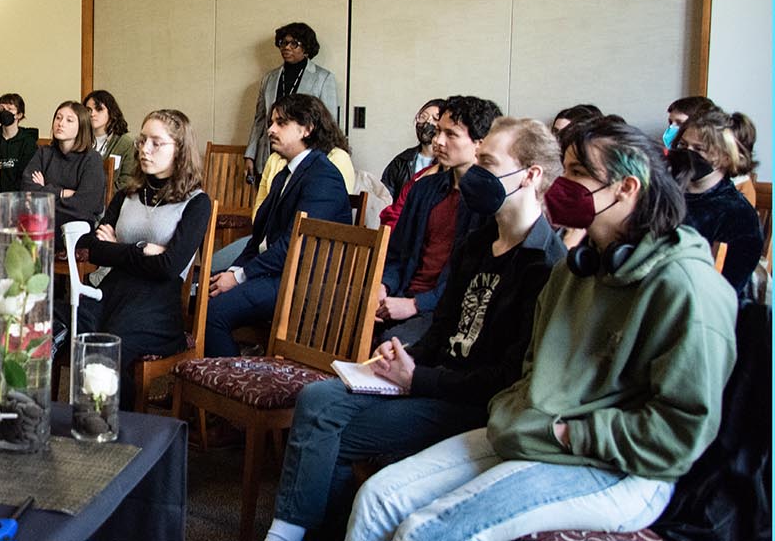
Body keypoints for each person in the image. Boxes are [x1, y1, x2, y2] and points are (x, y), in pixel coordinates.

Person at [346, 116, 736, 541]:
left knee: (428, 531)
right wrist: (523, 417)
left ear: (627, 188)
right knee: (378, 498)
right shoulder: (575, 270)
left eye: (579, 173)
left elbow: (680, 430)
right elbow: (533, 368)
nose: (562, 184)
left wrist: (571, 433)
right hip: (537, 434)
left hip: (622, 467)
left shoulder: (688, 288)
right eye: (564, 169)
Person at [264, 117, 567, 541]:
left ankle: (293, 533)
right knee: (318, 395)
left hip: (468, 402)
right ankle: (303, 531)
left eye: (488, 163)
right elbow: (443, 329)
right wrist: (406, 358)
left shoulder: (545, 264)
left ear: (530, 175)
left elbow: (508, 378)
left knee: (327, 432)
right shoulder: (476, 244)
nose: (475, 174)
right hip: (428, 378)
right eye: (476, 160)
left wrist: (417, 377)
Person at [66, 109, 212, 408]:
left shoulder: (196, 203)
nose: (144, 149)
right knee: (62, 325)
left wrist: (118, 248)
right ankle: (66, 424)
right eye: (143, 140)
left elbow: (170, 266)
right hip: (110, 289)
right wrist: (143, 248)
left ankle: (115, 435)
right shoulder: (127, 194)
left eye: (156, 143)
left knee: (107, 350)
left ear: (180, 149)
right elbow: (92, 248)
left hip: (156, 303)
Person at [204, 93, 352, 358]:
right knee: (202, 289)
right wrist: (236, 269)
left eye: (281, 123)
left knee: (214, 312)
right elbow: (258, 239)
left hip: (302, 282)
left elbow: (295, 246)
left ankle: (233, 387)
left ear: (307, 129)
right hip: (276, 273)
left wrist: (238, 277)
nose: (270, 129)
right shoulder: (285, 173)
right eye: (271, 122)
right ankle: (197, 377)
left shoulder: (324, 176)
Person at [376, 95, 501, 345]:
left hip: (444, 309)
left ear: (480, 143)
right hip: (401, 295)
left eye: (451, 134)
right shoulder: (424, 189)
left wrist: (415, 304)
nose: (437, 141)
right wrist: (383, 287)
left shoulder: (489, 203)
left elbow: (471, 280)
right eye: (438, 132)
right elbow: (397, 254)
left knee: (390, 341)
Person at [670, 106, 763, 292]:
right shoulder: (665, 194)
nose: (687, 153)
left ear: (726, 158)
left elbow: (728, 287)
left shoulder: (738, 215)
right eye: (683, 145)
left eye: (699, 149)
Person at [245, 23, 339, 183]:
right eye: (283, 42)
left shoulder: (323, 78)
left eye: (294, 43)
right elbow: (260, 119)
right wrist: (250, 155)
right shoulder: (270, 78)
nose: (286, 47)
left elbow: (329, 124)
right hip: (269, 154)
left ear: (306, 48)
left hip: (304, 155)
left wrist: (324, 157)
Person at [21, 101, 107, 228]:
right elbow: (26, 189)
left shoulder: (92, 159)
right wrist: (62, 193)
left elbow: (86, 205)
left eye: (69, 120)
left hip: (75, 225)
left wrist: (44, 192)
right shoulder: (44, 153)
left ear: (81, 126)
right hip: (41, 221)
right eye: (58, 118)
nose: (61, 124)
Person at [381, 99, 446, 198]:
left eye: (435, 119)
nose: (428, 122)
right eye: (423, 117)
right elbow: (384, 197)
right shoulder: (401, 161)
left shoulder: (448, 164)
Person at [0, 92, 40, 192]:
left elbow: (26, 178)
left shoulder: (28, 144)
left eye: (10, 109)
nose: (4, 112)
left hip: (17, 197)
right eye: (2, 109)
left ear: (19, 115)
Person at [84, 89, 137, 191]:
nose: (92, 114)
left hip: (111, 202)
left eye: (99, 109)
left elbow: (127, 181)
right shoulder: (80, 140)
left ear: (111, 112)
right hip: (80, 199)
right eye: (88, 110)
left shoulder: (125, 143)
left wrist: (96, 195)